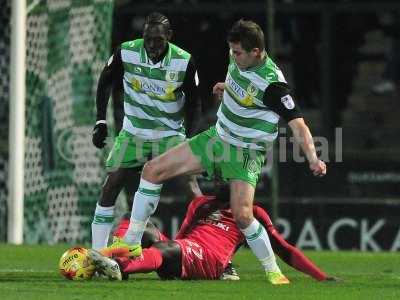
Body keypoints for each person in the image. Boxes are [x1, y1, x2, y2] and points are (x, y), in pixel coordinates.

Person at [102, 19, 326, 284]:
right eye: (231, 50)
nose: (233, 55)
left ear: (256, 51)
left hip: (245, 152)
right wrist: (227, 89)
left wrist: (313, 159)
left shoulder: (274, 86)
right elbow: (242, 86)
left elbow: (299, 125)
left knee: (243, 215)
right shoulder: (239, 59)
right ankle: (131, 244)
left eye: (238, 52)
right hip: (216, 139)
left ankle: (273, 271)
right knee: (152, 171)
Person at [91, 12, 201, 251]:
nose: (152, 45)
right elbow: (105, 80)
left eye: (158, 40)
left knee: (190, 187)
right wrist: (100, 120)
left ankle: (216, 252)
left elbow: (194, 104)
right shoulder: (127, 51)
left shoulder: (183, 61)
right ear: (143, 36)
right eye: (148, 39)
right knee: (111, 185)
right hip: (134, 133)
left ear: (169, 37)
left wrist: (189, 139)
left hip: (170, 134)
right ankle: (97, 253)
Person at [89, 191, 332, 282]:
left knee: (167, 249)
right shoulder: (202, 204)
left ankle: (119, 268)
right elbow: (181, 238)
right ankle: (114, 258)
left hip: (211, 260)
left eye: (222, 175)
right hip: (186, 250)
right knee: (136, 219)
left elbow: (284, 249)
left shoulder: (251, 213)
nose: (215, 177)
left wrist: (321, 276)